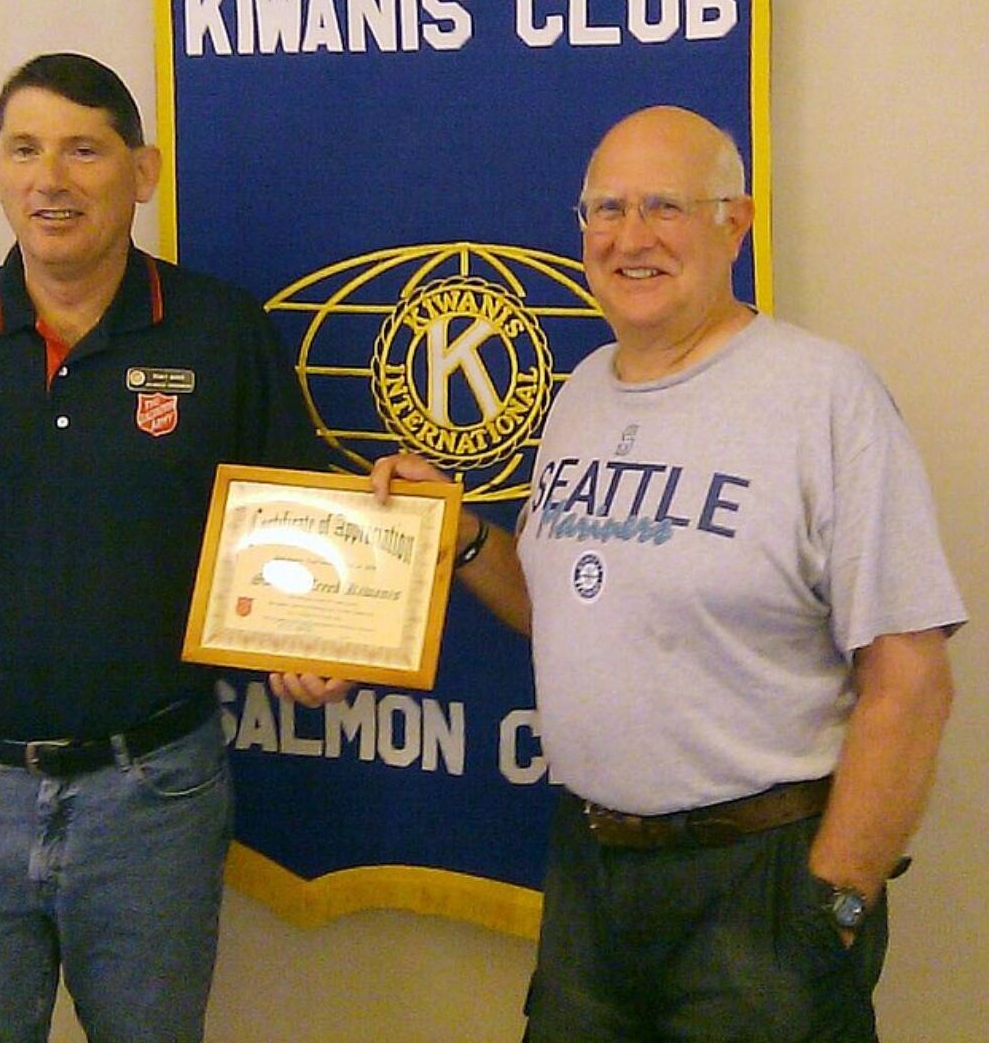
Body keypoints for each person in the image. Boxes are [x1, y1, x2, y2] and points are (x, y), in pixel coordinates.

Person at [373, 105, 965, 1041]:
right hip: (591, 875)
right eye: (604, 210)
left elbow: (911, 680)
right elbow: (568, 609)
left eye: (665, 208)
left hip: (761, 881)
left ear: (736, 222)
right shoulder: (581, 394)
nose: (629, 238)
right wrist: (468, 539)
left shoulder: (824, 396)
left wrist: (836, 902)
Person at [0, 53, 345, 1043]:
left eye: (82, 150)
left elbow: (301, 532)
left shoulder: (220, 332)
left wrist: (313, 647)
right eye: (25, 149)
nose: (50, 179)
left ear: (140, 171)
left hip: (154, 794)